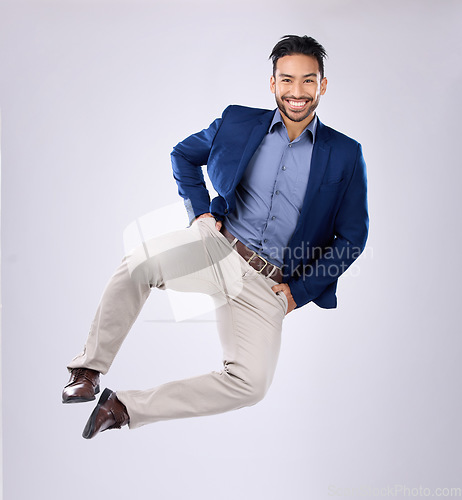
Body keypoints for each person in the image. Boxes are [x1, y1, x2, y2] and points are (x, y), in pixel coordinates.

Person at [62, 35, 369, 439]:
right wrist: (201, 212)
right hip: (219, 247)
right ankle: (88, 369)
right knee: (138, 263)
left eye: (308, 81)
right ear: (272, 83)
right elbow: (183, 154)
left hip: (270, 285)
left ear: (322, 86)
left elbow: (352, 237)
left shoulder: (345, 154)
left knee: (251, 384)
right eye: (287, 80)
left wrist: (299, 291)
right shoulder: (238, 121)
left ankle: (123, 408)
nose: (297, 92)